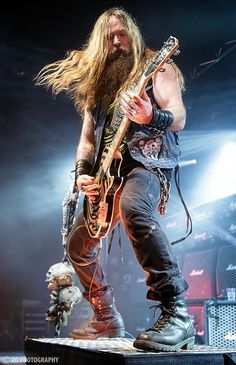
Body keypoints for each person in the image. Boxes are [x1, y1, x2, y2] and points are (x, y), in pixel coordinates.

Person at [36, 7, 194, 352]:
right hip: (106, 175)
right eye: (110, 37)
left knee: (135, 207)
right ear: (99, 42)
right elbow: (88, 140)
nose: (118, 42)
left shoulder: (157, 66)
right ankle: (105, 316)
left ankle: (177, 313)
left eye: (123, 34)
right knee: (78, 247)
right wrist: (82, 175)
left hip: (147, 163)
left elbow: (179, 117)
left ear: (133, 35)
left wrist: (152, 114)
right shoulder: (99, 85)